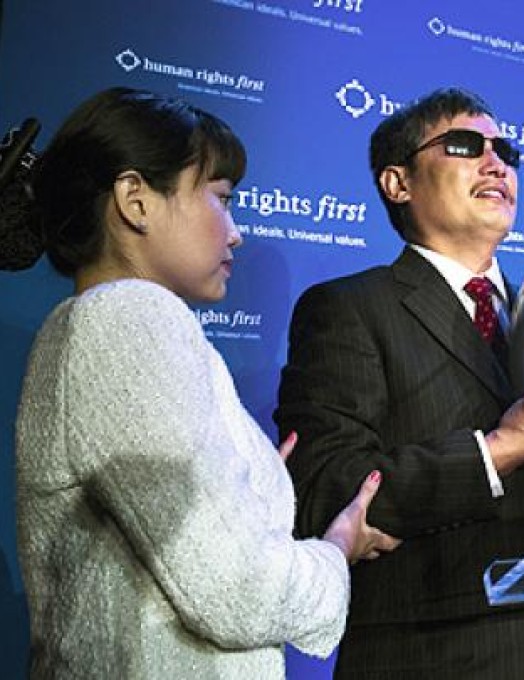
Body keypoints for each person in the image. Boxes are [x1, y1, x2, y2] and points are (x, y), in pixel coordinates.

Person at [3, 87, 399, 679]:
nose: (235, 231)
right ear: (135, 200)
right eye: (221, 198)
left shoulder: (102, 323)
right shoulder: (127, 319)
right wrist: (336, 550)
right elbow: (235, 588)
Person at [275, 86, 524, 679]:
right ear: (398, 183)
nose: (497, 162)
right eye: (464, 145)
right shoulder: (349, 309)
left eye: (505, 150)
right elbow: (324, 491)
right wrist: (501, 450)